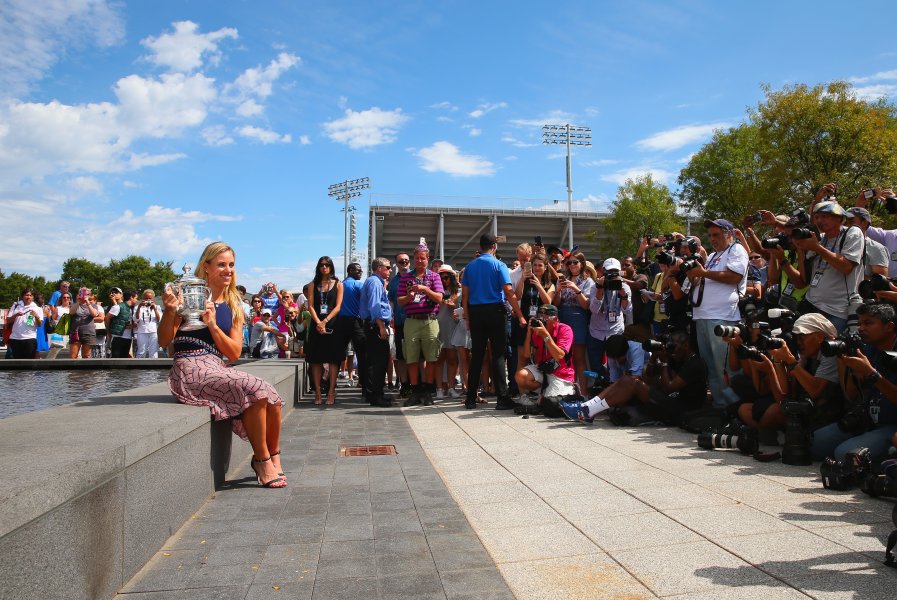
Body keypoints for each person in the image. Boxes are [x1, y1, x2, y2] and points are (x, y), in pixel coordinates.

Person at [160, 242, 286, 488]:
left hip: (217, 366)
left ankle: (273, 456)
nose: (228, 270)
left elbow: (234, 352)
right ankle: (261, 459)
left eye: (231, 265)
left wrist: (213, 325)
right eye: (221, 265)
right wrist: (169, 311)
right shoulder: (187, 295)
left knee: (270, 393)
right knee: (254, 388)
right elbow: (165, 341)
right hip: (189, 368)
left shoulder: (233, 304)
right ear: (206, 267)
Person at [561, 330, 706, 425]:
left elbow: (669, 387)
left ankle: (589, 411)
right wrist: (653, 359)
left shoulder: (694, 364)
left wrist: (664, 362)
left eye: (675, 346)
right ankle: (587, 407)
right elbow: (649, 380)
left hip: (681, 410)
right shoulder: (676, 358)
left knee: (633, 383)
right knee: (626, 380)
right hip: (667, 401)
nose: (672, 349)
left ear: (686, 345)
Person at [812, 303, 897, 462]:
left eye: (868, 323)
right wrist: (843, 361)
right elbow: (851, 395)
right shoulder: (868, 350)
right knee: (813, 444)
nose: (861, 328)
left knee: (844, 454)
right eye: (859, 323)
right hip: (867, 420)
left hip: (892, 426)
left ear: (889, 326)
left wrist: (870, 373)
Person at [688, 218, 749, 408]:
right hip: (703, 316)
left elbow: (734, 277)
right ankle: (721, 406)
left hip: (722, 316)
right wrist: (694, 275)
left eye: (717, 234)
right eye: (710, 235)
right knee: (711, 368)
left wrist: (703, 273)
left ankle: (736, 408)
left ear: (728, 234)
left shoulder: (736, 249)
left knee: (726, 367)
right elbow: (704, 280)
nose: (712, 239)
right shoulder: (714, 255)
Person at [461, 233, 526, 410]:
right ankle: (502, 398)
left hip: (476, 313)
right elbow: (508, 291)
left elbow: (465, 296)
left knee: (477, 355)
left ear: (480, 247)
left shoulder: (469, 267)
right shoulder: (499, 265)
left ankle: (470, 398)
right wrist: (519, 314)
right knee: (498, 355)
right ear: (494, 247)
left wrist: (467, 317)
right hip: (495, 311)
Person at [794, 201, 863, 333]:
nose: (819, 220)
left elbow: (846, 267)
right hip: (812, 305)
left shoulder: (852, 233)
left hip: (837, 310)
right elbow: (804, 278)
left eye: (824, 216)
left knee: (829, 351)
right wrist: (800, 249)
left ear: (838, 217)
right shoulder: (820, 239)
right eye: (817, 217)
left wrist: (817, 248)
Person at [398, 243, 445, 406]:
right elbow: (399, 301)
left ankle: (427, 390)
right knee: (411, 358)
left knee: (431, 358)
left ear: (427, 259)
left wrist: (425, 289)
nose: (419, 260)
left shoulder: (434, 277)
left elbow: (440, 298)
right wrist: (409, 296)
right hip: (411, 321)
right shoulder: (406, 278)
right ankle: (415, 390)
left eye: (422, 258)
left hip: (430, 320)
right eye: (417, 258)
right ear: (414, 259)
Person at [515, 304, 576, 408]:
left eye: (545, 319)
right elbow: (526, 354)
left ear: (555, 319)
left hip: (560, 373)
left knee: (551, 404)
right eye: (540, 318)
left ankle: (572, 390)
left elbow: (560, 356)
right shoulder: (537, 330)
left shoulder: (565, 329)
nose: (541, 322)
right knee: (521, 376)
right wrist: (529, 333)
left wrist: (546, 336)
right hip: (543, 369)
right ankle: (543, 390)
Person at [304, 256, 344, 405]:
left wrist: (325, 321)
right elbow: (311, 306)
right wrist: (319, 323)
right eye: (321, 265)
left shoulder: (338, 284)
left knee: (333, 360)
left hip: (332, 325)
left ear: (331, 267)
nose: (324, 267)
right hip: (317, 326)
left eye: (327, 265)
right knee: (316, 360)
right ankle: (318, 393)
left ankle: (331, 392)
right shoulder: (312, 285)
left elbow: (338, 306)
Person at [553, 251, 594, 393]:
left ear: (582, 264)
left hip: (579, 318)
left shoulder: (587, 281)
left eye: (575, 262)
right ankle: (565, 391)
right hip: (563, 317)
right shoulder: (562, 279)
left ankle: (583, 392)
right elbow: (556, 303)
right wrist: (558, 291)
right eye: (569, 262)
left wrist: (576, 289)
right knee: (563, 357)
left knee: (579, 358)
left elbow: (586, 305)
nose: (572, 265)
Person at [587, 258, 632, 378]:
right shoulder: (595, 287)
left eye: (615, 272)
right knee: (596, 366)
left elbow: (627, 311)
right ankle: (600, 387)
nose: (612, 276)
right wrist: (600, 290)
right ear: (604, 272)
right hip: (597, 332)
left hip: (615, 331)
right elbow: (593, 310)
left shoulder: (625, 287)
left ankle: (616, 386)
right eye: (609, 272)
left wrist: (623, 296)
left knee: (617, 364)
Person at [361, 257, 393, 407]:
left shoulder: (374, 282)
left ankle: (374, 393)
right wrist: (381, 325)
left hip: (372, 325)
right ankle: (376, 395)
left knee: (374, 361)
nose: (390, 270)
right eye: (387, 267)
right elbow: (374, 305)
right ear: (379, 268)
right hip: (375, 325)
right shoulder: (374, 282)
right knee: (380, 361)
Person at [336, 262, 367, 397]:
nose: (360, 272)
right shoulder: (358, 285)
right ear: (349, 271)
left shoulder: (340, 285)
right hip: (355, 322)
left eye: (361, 270)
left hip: (341, 322)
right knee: (362, 354)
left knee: (338, 354)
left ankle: (330, 383)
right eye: (357, 270)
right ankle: (363, 383)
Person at [435, 265, 461, 399]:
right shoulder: (436, 292)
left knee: (452, 360)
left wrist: (455, 307)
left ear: (451, 277)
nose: (444, 280)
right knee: (439, 359)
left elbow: (463, 311)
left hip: (452, 328)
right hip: (438, 328)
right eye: (441, 277)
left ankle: (451, 387)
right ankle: (439, 388)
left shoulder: (459, 292)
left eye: (446, 277)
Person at [388, 252, 412, 398]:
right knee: (401, 355)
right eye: (401, 261)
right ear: (396, 264)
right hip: (399, 321)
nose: (404, 263)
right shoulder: (394, 281)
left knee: (416, 355)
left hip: (414, 320)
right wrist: (391, 317)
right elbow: (391, 300)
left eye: (406, 261)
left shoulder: (415, 277)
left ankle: (416, 384)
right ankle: (404, 384)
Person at [844, 207, 889, 280]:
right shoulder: (837, 243)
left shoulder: (876, 248)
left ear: (864, 223)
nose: (846, 226)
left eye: (851, 222)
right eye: (845, 222)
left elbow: (881, 283)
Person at [7, 287, 42, 358]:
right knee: (15, 363)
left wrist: (36, 316)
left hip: (30, 339)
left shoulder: (38, 308)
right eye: (26, 295)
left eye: (30, 295)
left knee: (28, 363)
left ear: (33, 297)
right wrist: (16, 315)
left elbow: (39, 324)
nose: (28, 297)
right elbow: (8, 320)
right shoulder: (15, 306)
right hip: (15, 338)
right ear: (22, 296)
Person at [106, 288, 137, 358]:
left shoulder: (132, 308)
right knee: (116, 359)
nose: (137, 300)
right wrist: (108, 332)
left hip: (128, 337)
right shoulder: (118, 307)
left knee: (124, 359)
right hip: (118, 337)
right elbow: (107, 318)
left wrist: (133, 325)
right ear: (131, 297)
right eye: (136, 298)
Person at [69, 287, 99, 359]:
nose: (85, 296)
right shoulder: (75, 305)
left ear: (89, 295)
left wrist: (88, 303)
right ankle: (73, 370)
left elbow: (94, 314)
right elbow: (71, 312)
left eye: (87, 294)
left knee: (86, 356)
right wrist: (79, 301)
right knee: (73, 356)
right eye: (82, 294)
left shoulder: (93, 305)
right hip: (75, 333)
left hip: (88, 333)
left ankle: (86, 370)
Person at [133, 289, 162, 358]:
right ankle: (139, 367)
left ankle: (154, 367)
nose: (148, 300)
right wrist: (139, 306)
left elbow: (159, 319)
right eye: (146, 298)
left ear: (153, 299)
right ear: (143, 298)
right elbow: (136, 319)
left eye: (150, 298)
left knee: (153, 351)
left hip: (153, 331)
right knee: (141, 351)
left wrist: (154, 308)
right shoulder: (138, 307)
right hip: (142, 331)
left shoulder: (157, 307)